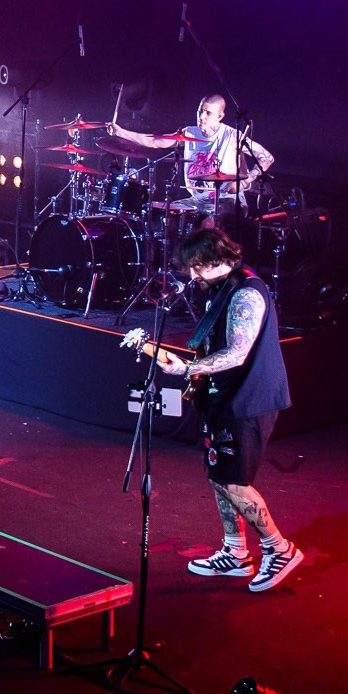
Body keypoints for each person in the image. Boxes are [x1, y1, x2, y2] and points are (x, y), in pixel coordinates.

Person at [136, 226, 302, 593]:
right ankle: (236, 551)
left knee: (235, 482)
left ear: (219, 259)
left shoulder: (246, 293)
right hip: (222, 396)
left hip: (249, 401)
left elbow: (237, 353)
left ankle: (280, 550)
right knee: (218, 476)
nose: (192, 276)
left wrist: (187, 369)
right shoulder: (219, 287)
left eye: (198, 267)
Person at [111, 92, 274, 232]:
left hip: (227, 200)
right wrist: (122, 132)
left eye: (208, 113)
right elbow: (156, 141)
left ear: (220, 116)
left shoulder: (232, 136)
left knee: (208, 220)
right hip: (197, 201)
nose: (202, 117)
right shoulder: (189, 133)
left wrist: (245, 182)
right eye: (200, 111)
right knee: (166, 212)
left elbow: (266, 157)